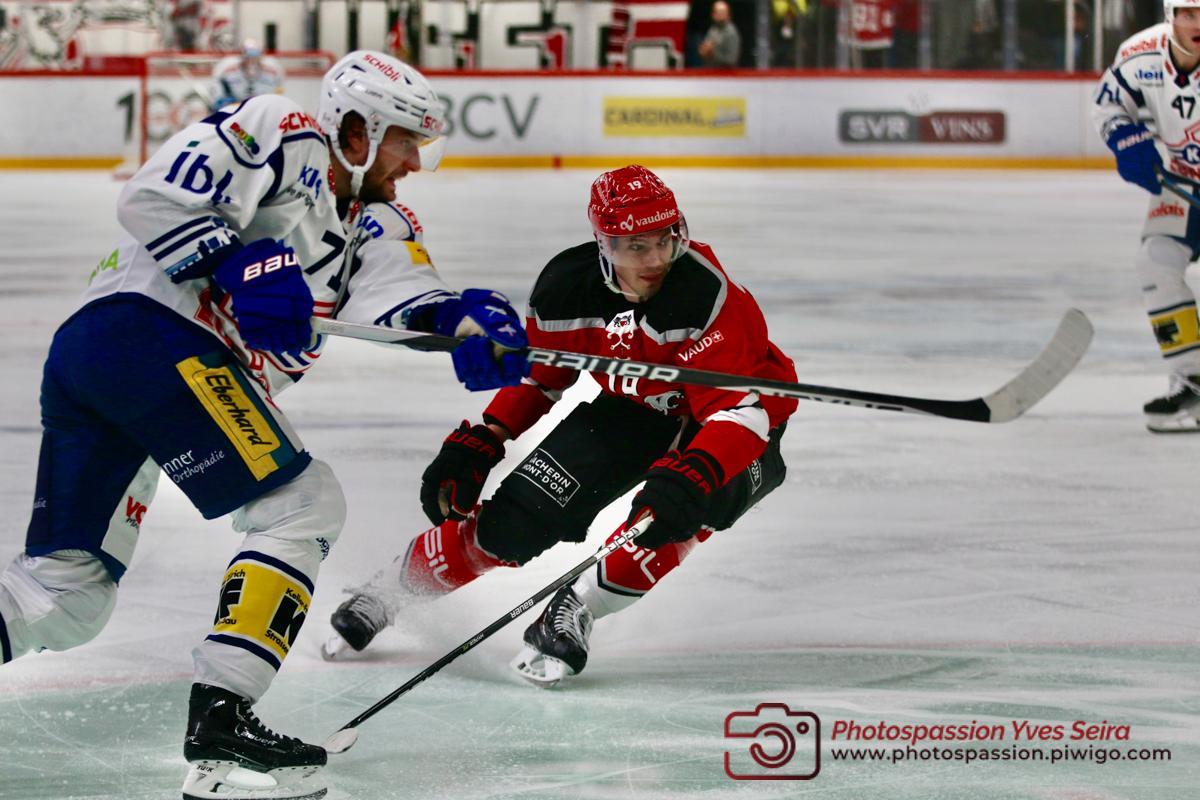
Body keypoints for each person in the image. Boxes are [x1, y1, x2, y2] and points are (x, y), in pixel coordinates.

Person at [0, 50, 527, 800]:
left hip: (115, 365)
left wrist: (462, 322)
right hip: (147, 334)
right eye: (406, 141)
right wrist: (240, 262)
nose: (414, 162)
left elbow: (401, 296)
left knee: (62, 595)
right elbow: (152, 196)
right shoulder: (282, 128)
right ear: (357, 130)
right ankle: (223, 718)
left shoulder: (373, 221)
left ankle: (219, 720)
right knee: (302, 504)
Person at [322, 165, 796, 691]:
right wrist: (489, 436)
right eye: (636, 246)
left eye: (664, 240)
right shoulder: (565, 290)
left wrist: (698, 472)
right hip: (633, 409)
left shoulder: (705, 294)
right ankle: (388, 593)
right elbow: (543, 377)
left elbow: (739, 413)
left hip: (738, 424)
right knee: (512, 525)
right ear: (605, 244)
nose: (655, 260)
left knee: (671, 518)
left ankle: (577, 606)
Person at [1094, 0, 1200, 432]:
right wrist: (1125, 138)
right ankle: (1192, 382)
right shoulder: (1139, 54)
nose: (1198, 24)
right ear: (1170, 16)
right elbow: (1109, 105)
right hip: (1182, 185)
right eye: (1189, 14)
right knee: (1157, 261)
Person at [209, 39, 285, 110]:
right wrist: (223, 100)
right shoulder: (227, 68)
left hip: (261, 106)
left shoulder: (272, 69)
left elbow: (279, 88)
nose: (251, 60)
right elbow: (216, 86)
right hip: (235, 106)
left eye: (255, 56)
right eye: (248, 56)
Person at [698, 0, 742, 67]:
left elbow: (731, 60)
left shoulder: (731, 33)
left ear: (728, 14)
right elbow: (706, 49)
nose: (719, 14)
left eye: (722, 12)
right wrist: (704, 51)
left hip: (725, 72)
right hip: (711, 70)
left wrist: (713, 53)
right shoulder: (713, 30)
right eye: (717, 12)